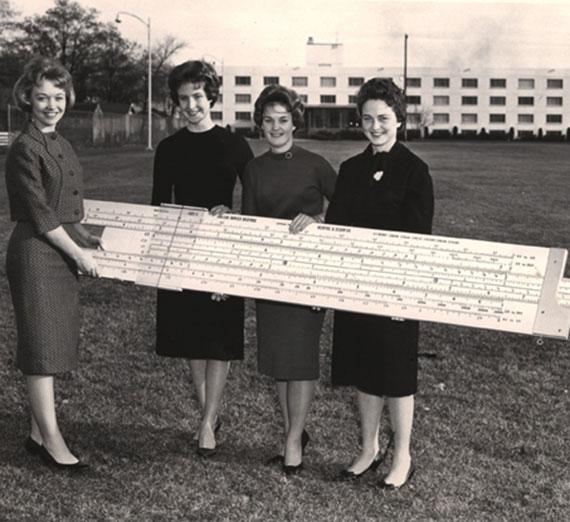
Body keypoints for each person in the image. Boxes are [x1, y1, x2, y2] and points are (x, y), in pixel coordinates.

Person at [326, 78, 434, 489]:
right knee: (363, 368)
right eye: (368, 119)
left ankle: (402, 455)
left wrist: (397, 289)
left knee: (396, 374)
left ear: (399, 120)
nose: (375, 126)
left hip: (396, 289)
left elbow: (418, 238)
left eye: (384, 118)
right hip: (356, 288)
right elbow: (336, 228)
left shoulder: (415, 171)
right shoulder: (351, 170)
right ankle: (369, 449)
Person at [151, 60, 253, 456]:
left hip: (222, 250)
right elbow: (159, 204)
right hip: (182, 248)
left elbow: (255, 201)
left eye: (198, 96)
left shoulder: (235, 145)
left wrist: (235, 218)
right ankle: (208, 413)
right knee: (192, 337)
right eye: (183, 98)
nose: (191, 104)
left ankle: (208, 422)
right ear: (176, 102)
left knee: (219, 340)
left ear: (212, 96)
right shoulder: (169, 147)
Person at [5, 56, 103, 470]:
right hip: (35, 254)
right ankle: (52, 442)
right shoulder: (24, 148)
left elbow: (66, 207)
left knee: (52, 342)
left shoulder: (60, 143)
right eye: (42, 97)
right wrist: (78, 253)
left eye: (58, 97)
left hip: (59, 252)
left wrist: (84, 237)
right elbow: (42, 216)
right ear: (27, 97)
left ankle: (34, 432)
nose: (50, 105)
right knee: (41, 348)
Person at [242, 85, 336, 474]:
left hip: (309, 274)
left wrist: (317, 221)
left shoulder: (316, 164)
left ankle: (294, 439)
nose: (276, 127)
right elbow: (248, 223)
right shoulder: (253, 168)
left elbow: (349, 211)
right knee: (281, 361)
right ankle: (291, 431)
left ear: (294, 121)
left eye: (283, 120)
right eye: (268, 120)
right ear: (260, 124)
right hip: (270, 274)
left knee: (300, 359)